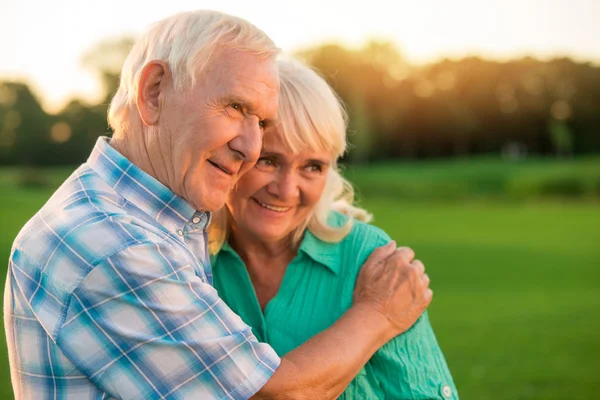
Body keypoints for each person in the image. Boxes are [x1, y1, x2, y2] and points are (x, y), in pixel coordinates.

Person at [4, 10, 432, 400]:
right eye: (234, 107)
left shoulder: (156, 219)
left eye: (262, 123)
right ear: (153, 91)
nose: (249, 147)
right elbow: (270, 395)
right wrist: (378, 313)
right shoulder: (117, 245)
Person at [209, 57, 458, 399]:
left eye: (312, 166)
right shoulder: (191, 259)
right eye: (268, 160)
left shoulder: (368, 259)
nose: (286, 190)